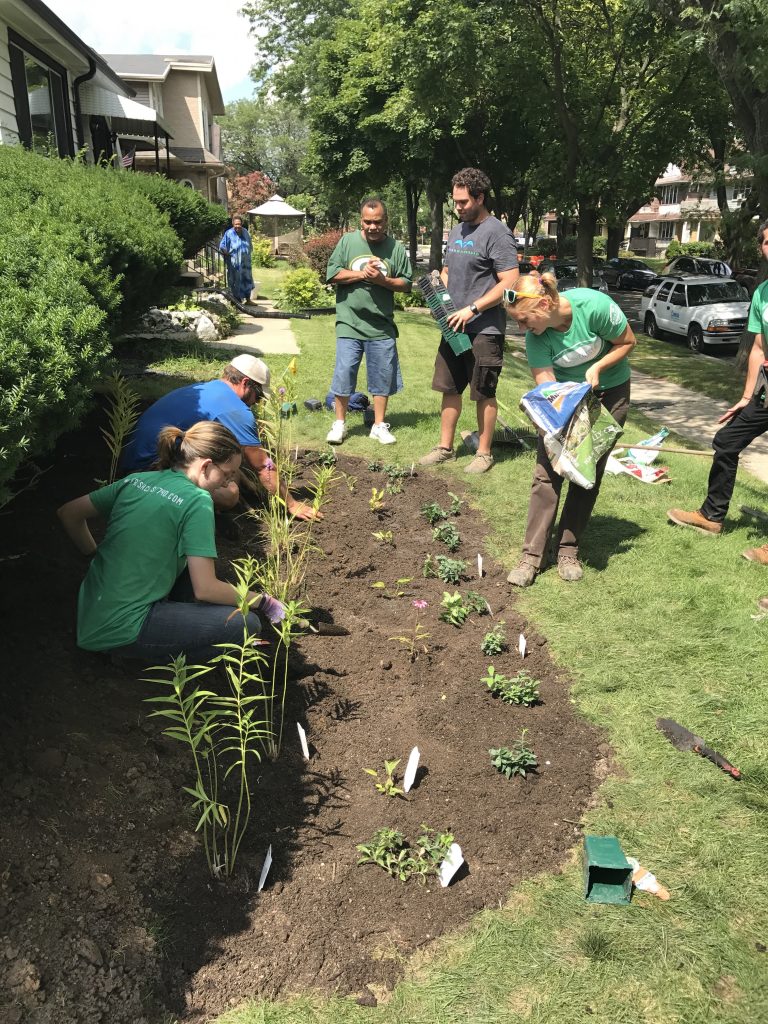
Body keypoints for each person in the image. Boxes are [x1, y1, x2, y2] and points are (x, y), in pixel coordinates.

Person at [58, 421, 285, 663]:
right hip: (124, 629)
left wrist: (92, 554)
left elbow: (69, 513)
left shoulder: (138, 480)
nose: (229, 483)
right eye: (228, 474)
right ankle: (144, 661)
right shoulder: (197, 501)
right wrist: (263, 601)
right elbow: (205, 589)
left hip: (93, 613)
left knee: (190, 566)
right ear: (207, 466)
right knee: (246, 624)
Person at [505, 272, 636, 586]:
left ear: (546, 303)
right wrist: (561, 418)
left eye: (524, 320)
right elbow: (547, 386)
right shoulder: (536, 338)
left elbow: (628, 342)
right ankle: (531, 558)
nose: (522, 328)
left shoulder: (594, 306)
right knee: (547, 473)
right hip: (564, 401)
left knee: (585, 473)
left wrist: (598, 366)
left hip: (609, 393)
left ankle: (567, 550)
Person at [667, 218, 768, 563]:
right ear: (762, 248)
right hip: (766, 391)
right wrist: (746, 396)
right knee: (727, 441)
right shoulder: (762, 293)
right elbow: (758, 348)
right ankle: (711, 517)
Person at [121, 354, 319, 521]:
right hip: (147, 471)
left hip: (131, 457)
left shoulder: (206, 388)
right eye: (258, 397)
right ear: (246, 383)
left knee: (230, 466)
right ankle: (197, 514)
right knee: (229, 494)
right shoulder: (236, 410)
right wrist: (293, 504)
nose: (257, 403)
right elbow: (262, 466)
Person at [419, 167, 520, 474]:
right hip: (453, 326)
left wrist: (473, 309)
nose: (458, 207)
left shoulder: (497, 233)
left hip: (483, 329)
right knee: (449, 388)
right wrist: (440, 289)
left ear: (480, 197)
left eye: (463, 202)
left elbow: (510, 281)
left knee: (483, 391)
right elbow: (449, 270)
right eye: (455, 202)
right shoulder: (459, 230)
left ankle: (484, 453)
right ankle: (444, 447)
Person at [325, 197, 413, 446]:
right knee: (344, 373)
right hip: (349, 321)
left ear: (386, 221)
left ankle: (378, 425)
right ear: (360, 221)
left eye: (377, 222)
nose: (373, 227)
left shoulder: (395, 248)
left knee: (382, 376)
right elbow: (332, 273)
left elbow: (406, 284)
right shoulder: (348, 242)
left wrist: (382, 281)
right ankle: (340, 424)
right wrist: (362, 274)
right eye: (367, 222)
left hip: (381, 325)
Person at [220, 215, 255, 304]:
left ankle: (248, 299)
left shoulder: (245, 232)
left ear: (241, 224)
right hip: (234, 264)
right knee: (235, 281)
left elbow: (250, 244)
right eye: (236, 224)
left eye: (239, 224)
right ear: (233, 224)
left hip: (246, 263)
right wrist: (226, 253)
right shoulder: (229, 233)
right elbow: (222, 245)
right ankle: (236, 301)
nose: (237, 226)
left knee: (247, 280)